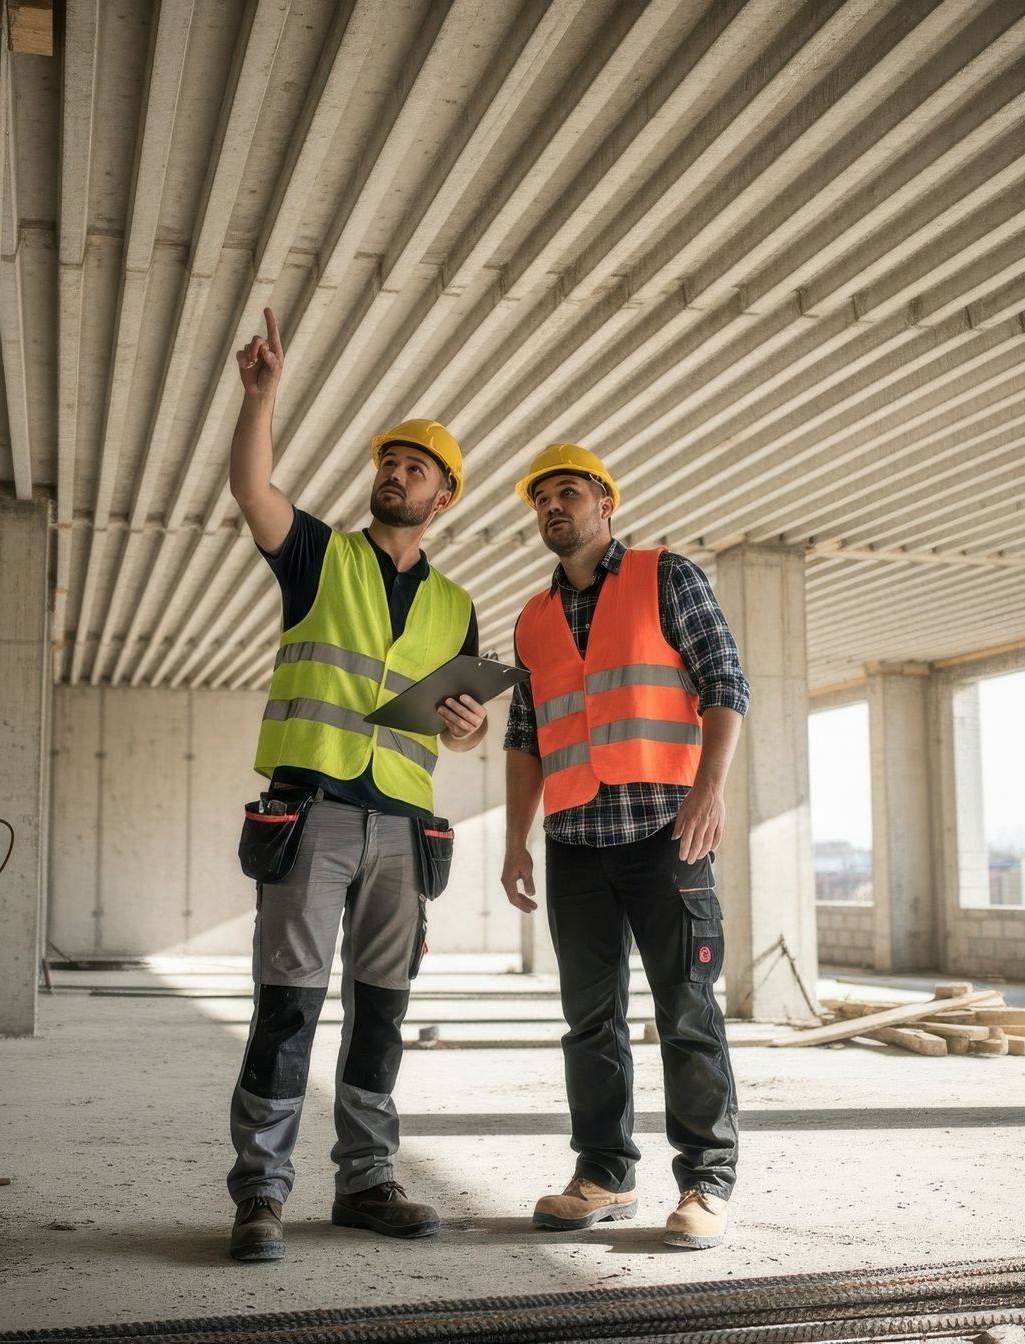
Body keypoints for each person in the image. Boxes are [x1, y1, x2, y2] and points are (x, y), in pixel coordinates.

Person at [223, 309, 488, 1264]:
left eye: (417, 467)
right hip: (316, 814)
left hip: (406, 833)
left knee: (381, 1012)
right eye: (391, 461)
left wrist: (471, 726)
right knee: (288, 1004)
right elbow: (252, 487)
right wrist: (262, 398)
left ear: (443, 497)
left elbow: (458, 722)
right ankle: (260, 1193)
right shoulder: (319, 556)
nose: (397, 473)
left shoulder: (458, 607)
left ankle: (367, 1182)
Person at [500, 443, 747, 1250]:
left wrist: (709, 790)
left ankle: (706, 1185)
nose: (553, 508)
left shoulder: (664, 574)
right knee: (589, 1022)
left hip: (665, 831)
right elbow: (526, 736)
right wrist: (515, 840)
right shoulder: (533, 618)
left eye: (568, 494)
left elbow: (725, 681)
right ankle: (604, 1174)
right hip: (574, 840)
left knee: (686, 1009)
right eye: (543, 500)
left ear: (606, 505)